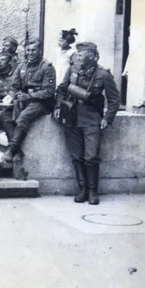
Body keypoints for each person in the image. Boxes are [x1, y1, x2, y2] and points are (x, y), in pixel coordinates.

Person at [55, 42, 121, 205]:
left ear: (91, 56)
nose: (77, 56)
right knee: (76, 156)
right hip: (71, 118)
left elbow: (114, 99)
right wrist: (58, 106)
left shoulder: (103, 75)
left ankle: (92, 191)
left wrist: (107, 118)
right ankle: (82, 189)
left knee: (91, 156)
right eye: (77, 54)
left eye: (81, 54)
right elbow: (62, 90)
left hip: (92, 120)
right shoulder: (72, 70)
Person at [0, 39, 56, 178]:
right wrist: (10, 97)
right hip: (24, 99)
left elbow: (48, 91)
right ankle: (17, 154)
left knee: (23, 117)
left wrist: (29, 96)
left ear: (39, 50)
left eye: (33, 50)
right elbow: (14, 86)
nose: (30, 53)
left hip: (42, 103)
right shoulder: (22, 66)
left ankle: (11, 150)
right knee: (6, 115)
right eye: (28, 50)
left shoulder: (47, 67)